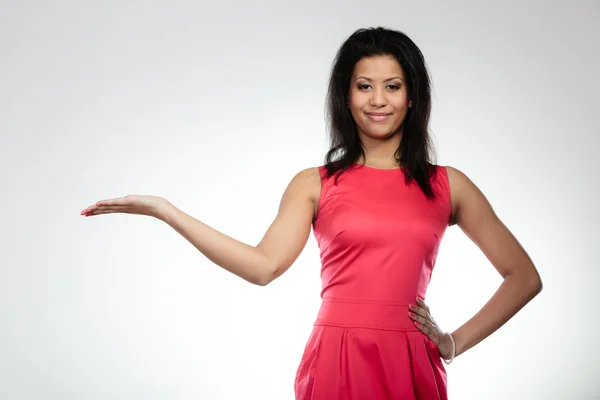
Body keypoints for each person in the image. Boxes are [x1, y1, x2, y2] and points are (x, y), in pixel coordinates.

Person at [80, 27, 543, 400]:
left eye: (392, 86)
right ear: (345, 95)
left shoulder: (447, 184)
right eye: (364, 86)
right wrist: (166, 211)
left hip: (409, 360)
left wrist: (452, 342)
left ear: (413, 96)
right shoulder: (315, 183)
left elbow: (523, 277)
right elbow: (262, 267)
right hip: (336, 359)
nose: (377, 99)